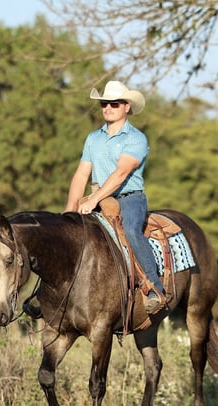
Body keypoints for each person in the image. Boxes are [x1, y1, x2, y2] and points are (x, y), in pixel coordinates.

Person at [64, 80, 166, 314]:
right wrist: (69, 209)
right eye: (104, 103)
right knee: (68, 234)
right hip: (99, 199)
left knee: (130, 230)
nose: (108, 107)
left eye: (114, 103)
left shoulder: (136, 139)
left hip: (129, 198)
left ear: (126, 107)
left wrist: (92, 200)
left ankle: (155, 289)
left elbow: (120, 175)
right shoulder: (93, 138)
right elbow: (81, 173)